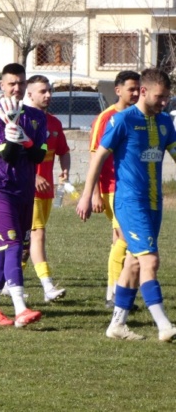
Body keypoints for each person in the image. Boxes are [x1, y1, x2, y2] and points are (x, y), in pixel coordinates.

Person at [77, 68, 176, 342]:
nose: (164, 102)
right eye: (160, 97)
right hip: (130, 201)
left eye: (167, 97)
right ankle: (164, 325)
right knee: (150, 260)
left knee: (133, 262)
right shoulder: (122, 120)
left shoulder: (165, 122)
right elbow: (98, 158)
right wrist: (87, 194)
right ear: (144, 91)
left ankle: (117, 325)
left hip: (155, 203)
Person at [0, 63, 46, 328]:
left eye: (20, 83)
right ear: (2, 86)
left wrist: (26, 139)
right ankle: (20, 308)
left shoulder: (36, 117)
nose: (16, 88)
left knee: (5, 249)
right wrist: (13, 133)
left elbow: (39, 155)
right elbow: (6, 155)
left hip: (24, 190)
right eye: (11, 83)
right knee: (14, 244)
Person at [89, 70, 140, 308]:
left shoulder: (138, 116)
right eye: (131, 89)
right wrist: (95, 193)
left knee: (119, 239)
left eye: (138, 89)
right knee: (126, 238)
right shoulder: (106, 118)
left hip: (131, 188)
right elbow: (94, 155)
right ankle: (113, 294)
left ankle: (118, 292)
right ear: (118, 90)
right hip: (111, 188)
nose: (136, 93)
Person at [22, 74, 69, 302]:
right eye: (43, 91)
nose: (48, 95)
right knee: (37, 235)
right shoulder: (22, 120)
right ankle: (48, 286)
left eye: (49, 90)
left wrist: (65, 170)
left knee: (26, 240)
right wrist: (33, 177)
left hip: (47, 191)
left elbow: (64, 151)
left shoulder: (54, 123)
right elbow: (14, 156)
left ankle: (7, 282)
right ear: (30, 94)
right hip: (27, 190)